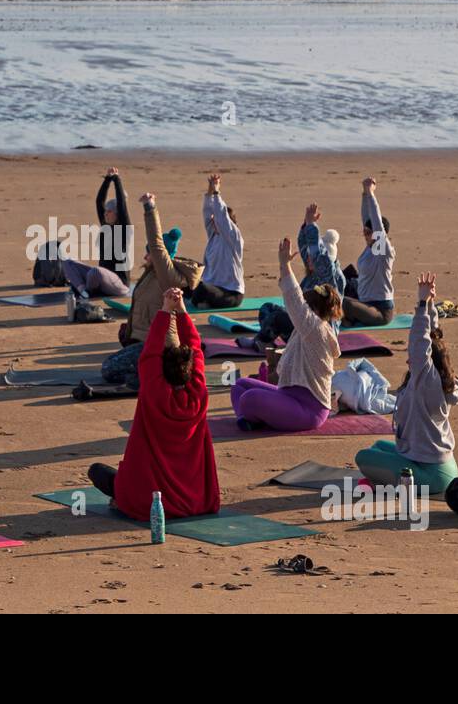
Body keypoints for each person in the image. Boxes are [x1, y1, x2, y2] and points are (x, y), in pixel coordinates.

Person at [88, 288, 219, 519]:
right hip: (194, 500)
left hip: (149, 500)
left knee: (97, 472)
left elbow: (149, 355)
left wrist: (165, 311)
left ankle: (120, 497)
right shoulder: (198, 393)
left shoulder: (155, 393)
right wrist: (180, 312)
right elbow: (196, 351)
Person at [84, 192, 201, 395]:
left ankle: (155, 378)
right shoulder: (150, 275)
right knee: (112, 366)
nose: (146, 255)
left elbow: (156, 244)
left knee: (108, 369)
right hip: (146, 343)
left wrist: (150, 208)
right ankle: (153, 374)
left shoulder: (167, 277)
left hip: (163, 348)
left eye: (150, 253)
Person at [355, 273, 458, 495]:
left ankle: (388, 483)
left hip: (433, 474)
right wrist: (431, 305)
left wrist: (422, 304)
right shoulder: (437, 379)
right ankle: (386, 478)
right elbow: (432, 338)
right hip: (436, 462)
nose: (408, 359)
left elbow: (420, 345)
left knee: (363, 457)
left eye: (411, 357)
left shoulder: (427, 382)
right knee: (378, 447)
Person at [230, 237, 341, 432]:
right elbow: (295, 301)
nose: (302, 309)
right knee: (239, 386)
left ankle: (252, 417)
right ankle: (250, 419)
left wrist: (284, 264)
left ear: (313, 309)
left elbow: (294, 299)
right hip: (288, 397)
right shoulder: (308, 327)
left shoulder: (316, 329)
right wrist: (284, 266)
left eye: (307, 307)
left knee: (249, 399)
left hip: (310, 410)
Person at [250, 202, 343, 346]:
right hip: (304, 326)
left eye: (314, 258)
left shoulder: (330, 277)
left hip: (319, 334)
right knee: (267, 308)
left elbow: (319, 256)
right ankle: (276, 337)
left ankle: (261, 342)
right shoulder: (313, 272)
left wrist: (312, 226)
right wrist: (306, 225)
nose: (309, 260)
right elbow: (305, 246)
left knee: (277, 318)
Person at [60, 167, 133, 297]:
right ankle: (84, 290)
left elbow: (122, 204)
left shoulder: (124, 229)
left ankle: (85, 289)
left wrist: (116, 179)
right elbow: (99, 201)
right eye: (105, 211)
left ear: (117, 214)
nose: (105, 213)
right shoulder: (105, 225)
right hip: (101, 280)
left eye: (109, 211)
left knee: (95, 272)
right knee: (66, 260)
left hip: (119, 284)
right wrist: (107, 179)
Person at [342, 177, 396, 327]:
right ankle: (350, 318)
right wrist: (364, 194)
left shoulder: (382, 251)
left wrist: (371, 194)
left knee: (345, 303)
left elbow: (376, 221)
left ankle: (349, 319)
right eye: (364, 231)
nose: (364, 234)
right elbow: (367, 217)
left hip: (380, 311)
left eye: (367, 232)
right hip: (364, 301)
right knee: (336, 285)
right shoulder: (370, 248)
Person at [190, 172, 245, 310]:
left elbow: (221, 216)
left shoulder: (234, 238)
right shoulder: (214, 236)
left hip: (231, 293)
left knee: (203, 291)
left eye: (217, 221)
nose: (214, 222)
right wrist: (209, 191)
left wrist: (216, 192)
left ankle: (207, 302)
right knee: (192, 289)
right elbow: (208, 213)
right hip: (213, 287)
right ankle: (205, 302)